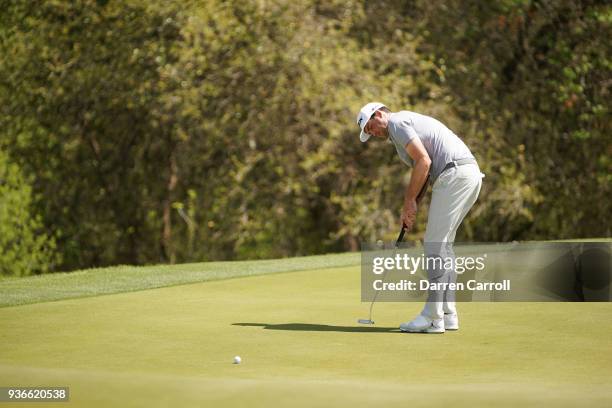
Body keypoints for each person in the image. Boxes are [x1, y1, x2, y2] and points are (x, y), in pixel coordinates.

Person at [357, 102, 484, 333]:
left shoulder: (397, 122)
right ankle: (448, 313)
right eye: (368, 133)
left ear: (378, 114)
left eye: (370, 127)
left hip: (454, 174)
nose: (372, 133)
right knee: (444, 247)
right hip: (467, 175)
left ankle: (432, 316)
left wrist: (408, 201)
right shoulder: (399, 134)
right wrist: (413, 205)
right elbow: (424, 170)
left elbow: (424, 161)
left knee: (434, 247)